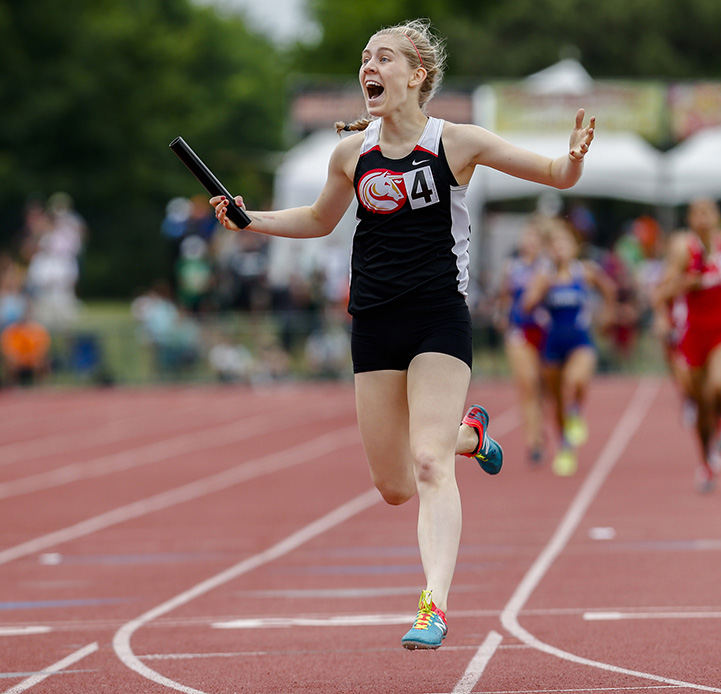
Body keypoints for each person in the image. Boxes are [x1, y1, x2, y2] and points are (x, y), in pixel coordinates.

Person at [210, 19, 595, 650]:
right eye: (365, 58)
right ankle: (469, 433)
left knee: (428, 463)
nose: (369, 66)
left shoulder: (457, 143)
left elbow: (555, 173)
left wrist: (574, 157)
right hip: (375, 324)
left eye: (383, 57)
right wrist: (251, 220)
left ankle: (433, 605)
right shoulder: (350, 153)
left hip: (437, 316)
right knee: (394, 486)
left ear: (417, 76)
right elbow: (316, 218)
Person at [654, 198, 721, 493]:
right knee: (699, 402)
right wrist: (686, 284)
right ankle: (706, 460)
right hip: (693, 334)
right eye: (697, 213)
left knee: (718, 387)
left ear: (717, 216)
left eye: (708, 212)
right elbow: (662, 292)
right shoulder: (684, 250)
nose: (703, 218)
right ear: (691, 219)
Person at [523, 219, 616, 476]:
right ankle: (565, 446)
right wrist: (538, 292)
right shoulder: (545, 276)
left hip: (580, 340)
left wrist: (608, 315)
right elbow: (527, 306)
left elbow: (608, 288)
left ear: (574, 247)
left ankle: (577, 412)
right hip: (552, 343)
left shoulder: (584, 271)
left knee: (574, 382)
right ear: (550, 250)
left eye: (565, 244)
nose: (560, 250)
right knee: (556, 401)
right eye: (555, 245)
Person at [496, 215, 551, 465]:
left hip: (546, 331)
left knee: (544, 386)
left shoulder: (546, 267)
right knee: (527, 384)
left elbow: (544, 295)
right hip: (519, 330)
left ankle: (544, 424)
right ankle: (534, 440)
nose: (527, 243)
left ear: (541, 242)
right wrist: (502, 315)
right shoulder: (512, 266)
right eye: (525, 238)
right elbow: (504, 295)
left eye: (532, 238)